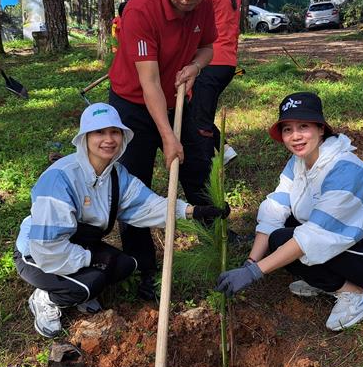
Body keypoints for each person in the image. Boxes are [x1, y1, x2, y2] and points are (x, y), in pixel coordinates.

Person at [14, 103, 229, 338]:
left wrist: (195, 211)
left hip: (78, 243)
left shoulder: (116, 175)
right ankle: (47, 297)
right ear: (84, 137)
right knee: (91, 282)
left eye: (114, 132)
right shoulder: (61, 178)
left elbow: (148, 205)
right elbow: (48, 248)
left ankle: (77, 286)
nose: (108, 139)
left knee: (126, 265)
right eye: (99, 132)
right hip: (37, 253)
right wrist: (89, 259)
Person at [216, 92, 363, 331]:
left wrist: (255, 273)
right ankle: (327, 280)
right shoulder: (299, 161)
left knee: (283, 241)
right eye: (287, 129)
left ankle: (356, 295)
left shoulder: (343, 170)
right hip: (348, 236)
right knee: (282, 227)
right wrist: (251, 261)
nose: (295, 136)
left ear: (321, 129)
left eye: (304, 126)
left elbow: (314, 237)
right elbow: (275, 207)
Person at [107, 0, 218, 300]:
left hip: (175, 97)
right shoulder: (141, 9)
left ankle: (212, 236)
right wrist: (166, 137)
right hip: (132, 104)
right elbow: (149, 81)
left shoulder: (203, 4)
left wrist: (195, 67)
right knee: (133, 186)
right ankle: (145, 271)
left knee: (195, 165)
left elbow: (207, 47)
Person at [190, 0, 241, 167]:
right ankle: (225, 150)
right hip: (226, 62)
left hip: (210, 60)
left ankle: (207, 169)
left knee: (199, 119)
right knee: (199, 111)